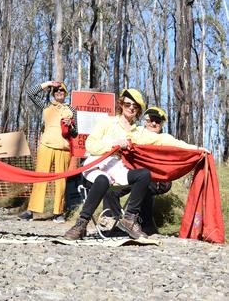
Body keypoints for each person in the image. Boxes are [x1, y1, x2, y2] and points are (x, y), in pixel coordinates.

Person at [64, 89, 205, 240]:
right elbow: (90, 144)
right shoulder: (107, 122)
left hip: (118, 170)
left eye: (135, 106)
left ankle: (129, 219)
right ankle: (80, 224)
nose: (131, 107)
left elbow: (166, 140)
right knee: (102, 180)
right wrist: (114, 144)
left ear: (138, 110)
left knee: (144, 175)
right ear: (121, 104)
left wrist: (196, 149)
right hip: (97, 166)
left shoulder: (138, 133)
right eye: (127, 104)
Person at [100, 107, 197, 234]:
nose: (154, 124)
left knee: (145, 184)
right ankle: (115, 222)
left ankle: (145, 224)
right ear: (145, 121)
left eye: (158, 121)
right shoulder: (136, 133)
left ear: (161, 124)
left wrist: (197, 149)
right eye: (151, 120)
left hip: (158, 179)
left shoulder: (165, 139)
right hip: (133, 173)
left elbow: (181, 146)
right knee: (110, 190)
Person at [19, 81, 77, 223]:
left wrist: (71, 127)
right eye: (56, 91)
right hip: (46, 145)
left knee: (61, 182)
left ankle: (59, 213)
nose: (59, 93)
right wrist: (49, 83)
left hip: (63, 148)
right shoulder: (46, 106)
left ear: (65, 93)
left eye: (61, 91)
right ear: (53, 93)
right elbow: (30, 93)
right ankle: (31, 211)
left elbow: (76, 133)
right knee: (40, 178)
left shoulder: (72, 110)